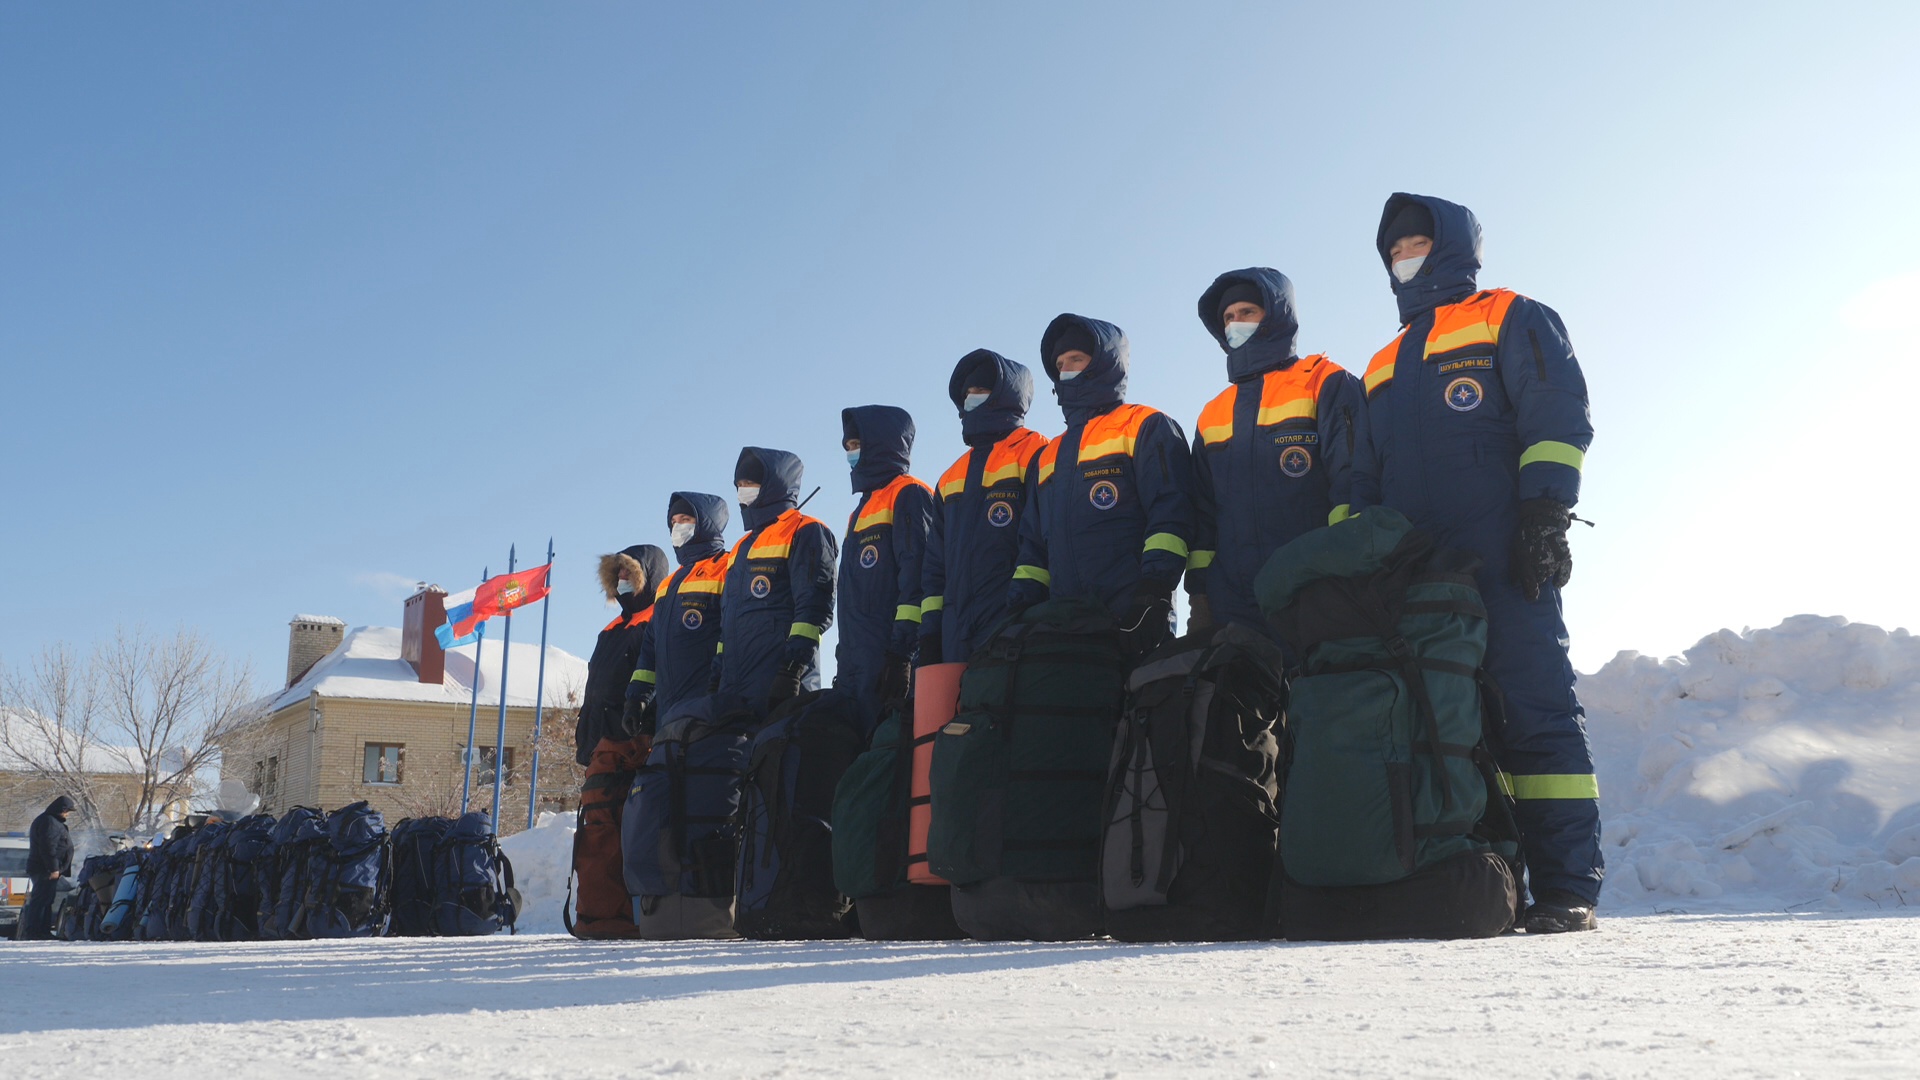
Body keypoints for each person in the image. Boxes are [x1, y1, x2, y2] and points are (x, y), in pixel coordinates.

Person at [1351, 192, 1601, 933]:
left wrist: (1545, 512)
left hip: (1500, 554)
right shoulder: (1382, 361)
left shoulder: (1511, 315)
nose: (1406, 256)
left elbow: (1556, 414)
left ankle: (1565, 888)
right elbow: (1364, 475)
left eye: (1417, 242)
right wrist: (1362, 554)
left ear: (1455, 243)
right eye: (1394, 249)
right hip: (1415, 574)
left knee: (1534, 712)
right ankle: (1479, 881)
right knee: (1443, 724)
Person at [1187, 268, 1365, 636]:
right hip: (1232, 603)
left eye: (1247, 313)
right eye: (1228, 318)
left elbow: (1353, 478)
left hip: (1314, 587)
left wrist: (1347, 567)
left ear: (1275, 314)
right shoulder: (1213, 413)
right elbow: (1202, 514)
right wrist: (1199, 596)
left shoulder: (1324, 381)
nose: (1236, 324)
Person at [1008, 314, 1196, 657]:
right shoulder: (1048, 455)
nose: (1066, 370)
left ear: (1104, 364)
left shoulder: (1146, 425)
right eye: (1060, 364)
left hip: (1132, 618)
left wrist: (1154, 593)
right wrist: (1020, 612)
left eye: (1076, 360)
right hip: (1061, 627)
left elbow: (1171, 513)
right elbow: (1033, 547)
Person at [921, 349, 1048, 665]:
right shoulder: (951, 476)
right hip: (954, 631)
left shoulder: (1035, 450)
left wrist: (1027, 605)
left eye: (979, 391)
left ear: (1003, 394)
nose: (970, 399)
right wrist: (930, 631)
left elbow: (1042, 535)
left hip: (1013, 619)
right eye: (966, 394)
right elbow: (936, 564)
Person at [714, 448, 837, 716]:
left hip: (784, 686)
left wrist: (791, 671)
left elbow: (813, 608)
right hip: (734, 693)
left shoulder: (806, 530)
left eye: (749, 483)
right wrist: (717, 673)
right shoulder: (740, 548)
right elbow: (729, 623)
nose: (742, 491)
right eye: (739, 485)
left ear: (773, 484)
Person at [835, 405, 933, 722]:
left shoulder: (909, 494)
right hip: (855, 661)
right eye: (848, 447)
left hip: (890, 657)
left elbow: (917, 578)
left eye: (857, 445)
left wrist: (902, 653)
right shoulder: (860, 511)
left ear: (879, 445)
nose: (851, 454)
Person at [625, 492, 732, 736]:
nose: (677, 527)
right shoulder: (669, 584)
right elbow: (651, 647)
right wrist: (637, 697)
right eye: (673, 522)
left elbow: (733, 632)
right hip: (668, 714)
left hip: (710, 709)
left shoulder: (727, 567)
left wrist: (719, 686)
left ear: (706, 523)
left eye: (685, 519)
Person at [574, 544, 669, 764]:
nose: (622, 576)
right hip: (597, 749)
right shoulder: (610, 630)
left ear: (648, 574)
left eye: (629, 571)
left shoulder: (659, 621)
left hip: (633, 749)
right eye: (618, 571)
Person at [22, 795, 75, 940]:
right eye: (67, 811)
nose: (68, 814)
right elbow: (48, 848)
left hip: (45, 869)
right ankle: (34, 932)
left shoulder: (50, 821)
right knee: (41, 900)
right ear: (61, 810)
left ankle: (42, 931)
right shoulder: (50, 822)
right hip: (45, 870)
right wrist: (54, 868)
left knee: (46, 900)